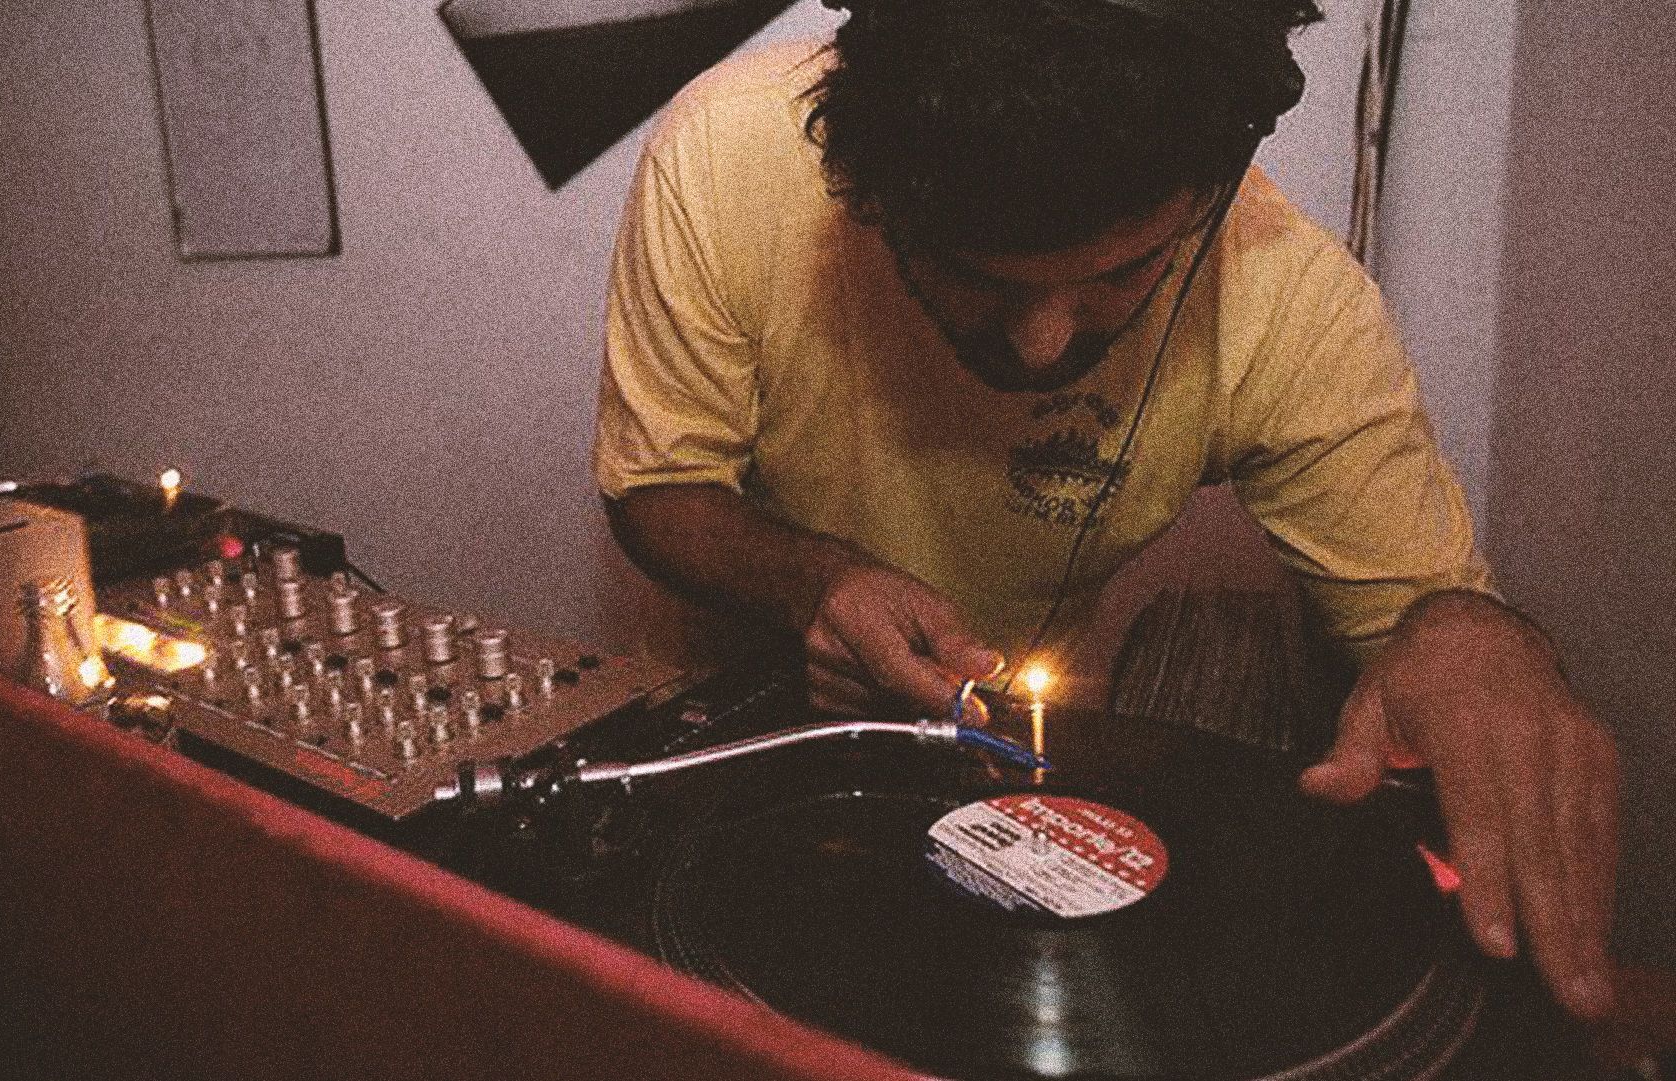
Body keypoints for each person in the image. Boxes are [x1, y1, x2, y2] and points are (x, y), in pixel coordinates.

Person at [592, 0, 1619, 1022]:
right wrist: (815, 584)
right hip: (729, 774)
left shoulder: (1293, 304)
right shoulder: (722, 156)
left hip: (1001, 796)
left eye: (1126, 272)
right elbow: (657, 487)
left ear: (1210, 190)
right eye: (972, 276)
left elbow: (1436, 627)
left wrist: (1473, 635)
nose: (1043, 344)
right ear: (874, 196)